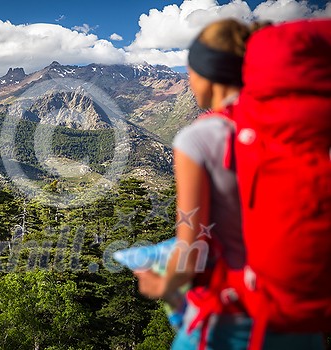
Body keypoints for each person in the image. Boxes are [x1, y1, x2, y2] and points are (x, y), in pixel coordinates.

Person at [133, 18, 326, 349]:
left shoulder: (200, 138)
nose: (189, 81)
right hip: (300, 322)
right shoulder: (301, 130)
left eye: (190, 70)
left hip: (232, 319)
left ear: (207, 73)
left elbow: (189, 253)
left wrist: (161, 285)